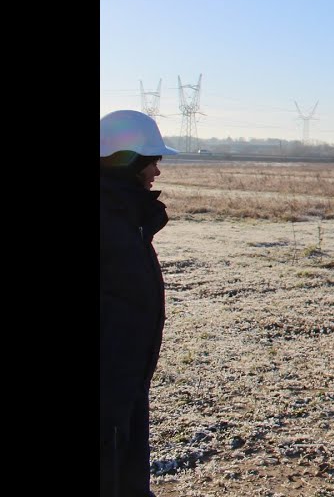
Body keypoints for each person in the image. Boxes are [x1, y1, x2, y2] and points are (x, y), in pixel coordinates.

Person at [100, 110, 178, 497]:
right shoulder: (108, 220)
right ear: (127, 161)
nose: (157, 174)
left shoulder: (124, 216)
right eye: (152, 162)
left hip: (125, 380)